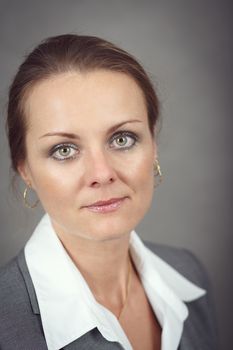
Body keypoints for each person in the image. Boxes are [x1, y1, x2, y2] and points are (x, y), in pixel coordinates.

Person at [0, 34, 217, 350]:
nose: (102, 174)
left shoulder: (190, 273)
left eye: (122, 139)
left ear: (153, 147)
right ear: (26, 170)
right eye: (64, 150)